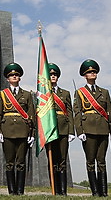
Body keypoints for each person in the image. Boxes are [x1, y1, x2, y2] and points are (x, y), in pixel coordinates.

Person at [73, 59, 111, 197]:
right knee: (91, 161)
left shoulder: (105, 92)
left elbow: (109, 112)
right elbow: (77, 112)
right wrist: (80, 130)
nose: (92, 73)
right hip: (88, 129)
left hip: (103, 129)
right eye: (90, 72)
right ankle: (95, 192)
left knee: (101, 161)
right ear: (85, 75)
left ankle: (104, 191)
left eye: (94, 71)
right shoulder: (80, 93)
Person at [0, 62, 36, 195]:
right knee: (9, 162)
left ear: (20, 78)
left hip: (23, 131)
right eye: (12, 75)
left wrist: (32, 134)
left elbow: (32, 115)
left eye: (16, 75)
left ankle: (20, 190)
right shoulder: (3, 94)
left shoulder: (27, 95)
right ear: (7, 78)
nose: (14, 77)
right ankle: (12, 191)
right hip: (7, 131)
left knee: (21, 162)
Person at [46, 63, 75, 195]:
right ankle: (55, 190)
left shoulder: (65, 93)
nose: (53, 76)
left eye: (55, 75)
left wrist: (71, 131)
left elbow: (69, 112)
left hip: (63, 129)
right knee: (52, 160)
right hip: (49, 130)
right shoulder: (44, 93)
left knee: (62, 160)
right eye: (51, 75)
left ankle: (63, 191)